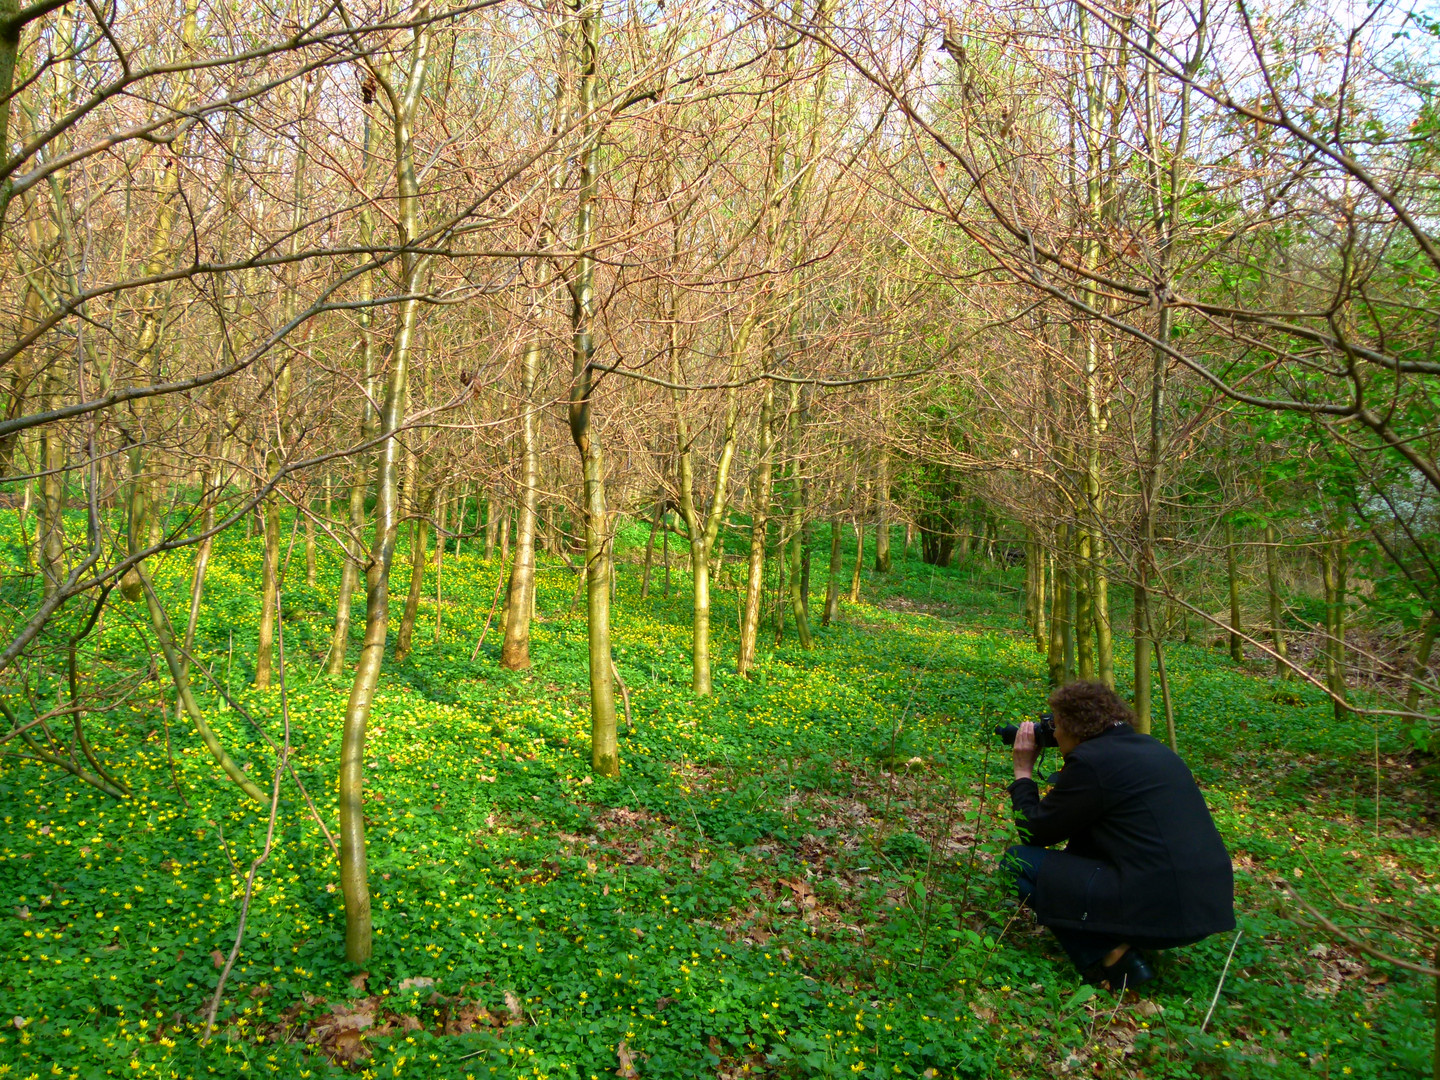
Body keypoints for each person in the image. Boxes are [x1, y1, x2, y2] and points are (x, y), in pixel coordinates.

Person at [1005, 680, 1235, 990]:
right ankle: (1122, 938)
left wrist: (1022, 774)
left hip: (1162, 911)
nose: (1054, 735)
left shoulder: (1093, 763)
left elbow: (1033, 833)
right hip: (1207, 907)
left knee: (1018, 864)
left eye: (1056, 724)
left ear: (1075, 726)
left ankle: (1113, 956)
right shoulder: (1153, 749)